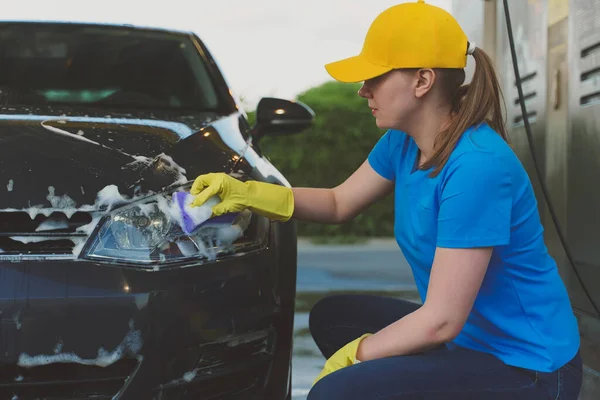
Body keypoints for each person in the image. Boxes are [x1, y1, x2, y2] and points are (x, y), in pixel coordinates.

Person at [188, 1, 582, 398]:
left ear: (422, 81)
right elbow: (340, 202)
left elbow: (441, 320)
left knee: (335, 392)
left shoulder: (478, 166)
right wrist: (250, 193)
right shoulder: (403, 142)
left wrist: (358, 355)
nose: (362, 91)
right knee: (333, 318)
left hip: (528, 366)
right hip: (467, 338)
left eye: (374, 77)